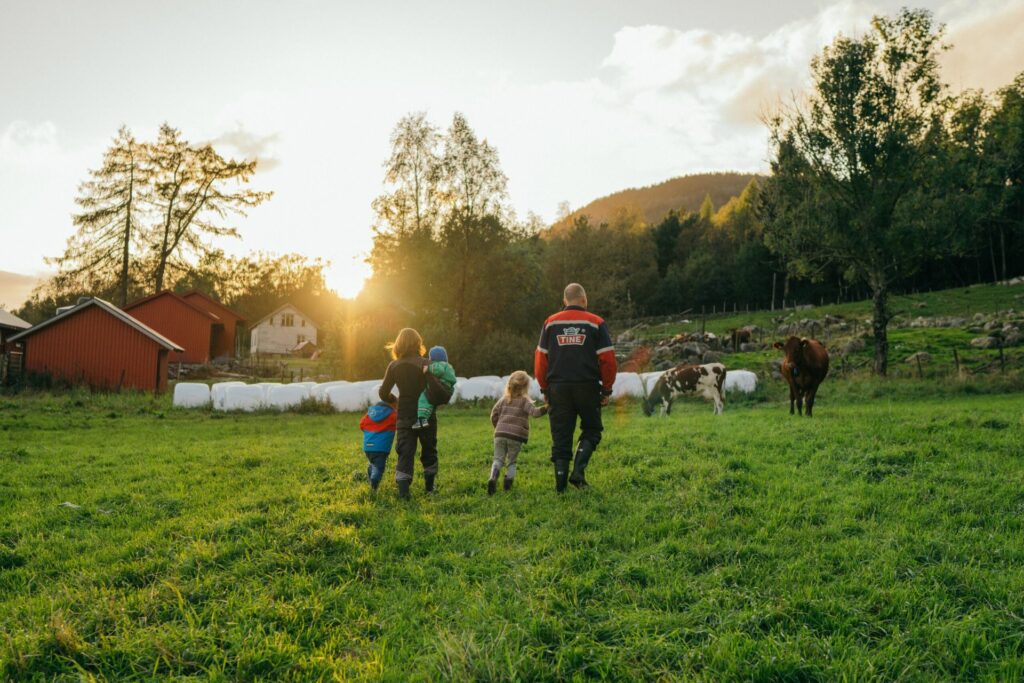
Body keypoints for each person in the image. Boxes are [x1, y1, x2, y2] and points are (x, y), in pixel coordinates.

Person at [534, 283, 617, 492]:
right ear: (584, 299)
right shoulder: (596, 322)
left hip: (558, 387)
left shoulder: (550, 323)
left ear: (565, 300)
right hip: (587, 386)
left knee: (561, 436)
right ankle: (578, 474)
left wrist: (544, 389)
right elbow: (608, 359)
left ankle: (560, 485)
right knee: (592, 429)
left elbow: (540, 360)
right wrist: (606, 389)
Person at [379, 328, 452, 499]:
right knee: (429, 450)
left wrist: (394, 401)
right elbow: (439, 391)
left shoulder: (393, 366)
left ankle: (404, 492)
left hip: (404, 414)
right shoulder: (426, 363)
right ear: (418, 344)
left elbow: (383, 393)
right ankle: (429, 487)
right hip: (426, 414)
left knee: (405, 451)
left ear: (398, 345)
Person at [488, 370, 548, 494]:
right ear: (526, 387)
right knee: (511, 461)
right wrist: (547, 407)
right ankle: (507, 486)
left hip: (499, 434)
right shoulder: (524, 401)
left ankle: (493, 478)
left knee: (498, 459)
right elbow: (535, 413)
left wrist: (498, 427)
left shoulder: (503, 400)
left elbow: (493, 414)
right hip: (515, 437)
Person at [414, 346, 457, 429]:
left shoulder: (439, 364)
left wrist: (428, 368)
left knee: (424, 397)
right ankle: (425, 418)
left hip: (442, 385)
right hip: (448, 388)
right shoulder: (448, 365)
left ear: (433, 358)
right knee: (430, 401)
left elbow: (439, 370)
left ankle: (422, 419)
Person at [360, 400, 396, 491]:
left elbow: (361, 425)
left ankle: (371, 478)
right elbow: (401, 422)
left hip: (367, 446)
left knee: (373, 463)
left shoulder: (369, 414)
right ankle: (374, 480)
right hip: (381, 448)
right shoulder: (392, 414)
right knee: (379, 467)